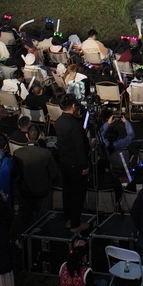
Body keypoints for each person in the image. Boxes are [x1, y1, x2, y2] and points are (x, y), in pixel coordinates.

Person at [53, 97, 91, 231]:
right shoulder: (74, 125)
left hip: (64, 163)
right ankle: (75, 223)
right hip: (76, 164)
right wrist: (84, 166)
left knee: (67, 192)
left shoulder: (59, 121)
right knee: (77, 194)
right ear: (73, 106)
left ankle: (68, 219)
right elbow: (79, 147)